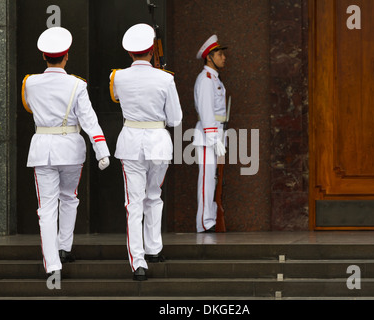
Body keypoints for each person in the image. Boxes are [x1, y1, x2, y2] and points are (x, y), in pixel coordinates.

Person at [21, 27, 110, 280]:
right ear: (67, 55)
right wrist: (101, 149)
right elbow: (89, 120)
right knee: (69, 198)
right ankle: (64, 248)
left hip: (43, 149)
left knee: (46, 208)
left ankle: (53, 265)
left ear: (43, 56)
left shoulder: (30, 83)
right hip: (70, 148)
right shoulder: (77, 85)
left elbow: (30, 107)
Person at [110, 23, 182, 281]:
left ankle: (139, 262)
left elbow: (118, 98)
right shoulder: (166, 78)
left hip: (131, 143)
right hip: (158, 144)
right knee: (154, 196)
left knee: (134, 203)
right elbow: (175, 119)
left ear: (130, 53)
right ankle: (154, 249)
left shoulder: (117, 77)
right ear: (152, 51)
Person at [193, 35, 228, 233]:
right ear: (209, 57)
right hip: (208, 137)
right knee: (206, 180)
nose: (224, 58)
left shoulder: (214, 79)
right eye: (220, 54)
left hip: (215, 134)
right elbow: (206, 112)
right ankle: (205, 222)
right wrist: (214, 139)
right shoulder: (205, 80)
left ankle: (210, 218)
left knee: (213, 180)